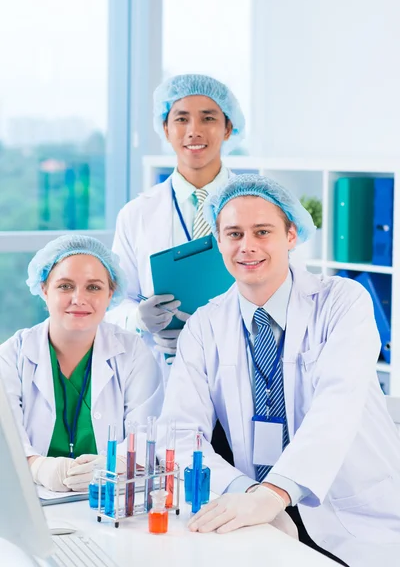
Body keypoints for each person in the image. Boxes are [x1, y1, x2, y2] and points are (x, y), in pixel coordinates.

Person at [157, 174, 400, 567]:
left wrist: (275, 493)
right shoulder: (205, 324)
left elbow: (336, 406)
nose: (247, 246)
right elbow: (181, 434)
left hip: (355, 516)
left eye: (262, 231)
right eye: (233, 233)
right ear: (218, 242)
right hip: (256, 515)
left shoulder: (342, 301)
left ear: (291, 235)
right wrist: (249, 494)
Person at [107, 73, 245, 383]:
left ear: (228, 128)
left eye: (208, 118)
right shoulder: (137, 214)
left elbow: (281, 290)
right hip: (161, 375)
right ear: (166, 129)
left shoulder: (258, 207)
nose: (194, 131)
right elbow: (114, 302)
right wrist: (140, 319)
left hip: (238, 368)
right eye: (181, 119)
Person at [0, 235, 162, 493]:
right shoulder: (12, 355)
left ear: (111, 294)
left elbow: (148, 433)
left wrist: (118, 464)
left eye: (94, 287)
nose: (78, 298)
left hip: (112, 500)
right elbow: (4, 440)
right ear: (44, 289)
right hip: (32, 500)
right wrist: (36, 466)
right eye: (65, 286)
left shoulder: (132, 353)